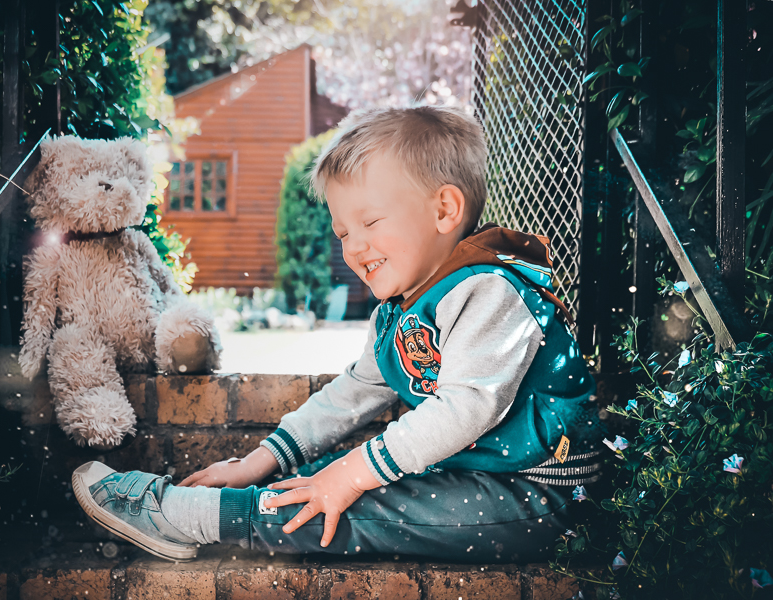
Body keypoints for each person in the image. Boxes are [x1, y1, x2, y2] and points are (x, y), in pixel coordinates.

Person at [71, 106, 605, 563]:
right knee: (320, 479)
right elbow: (354, 394)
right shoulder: (400, 309)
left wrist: (350, 474)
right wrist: (257, 462)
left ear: (444, 210)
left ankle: (186, 517)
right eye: (343, 232)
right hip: (470, 476)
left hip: (537, 494)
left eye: (370, 223)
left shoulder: (491, 290)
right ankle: (223, 505)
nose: (353, 247)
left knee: (343, 498)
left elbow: (465, 408)